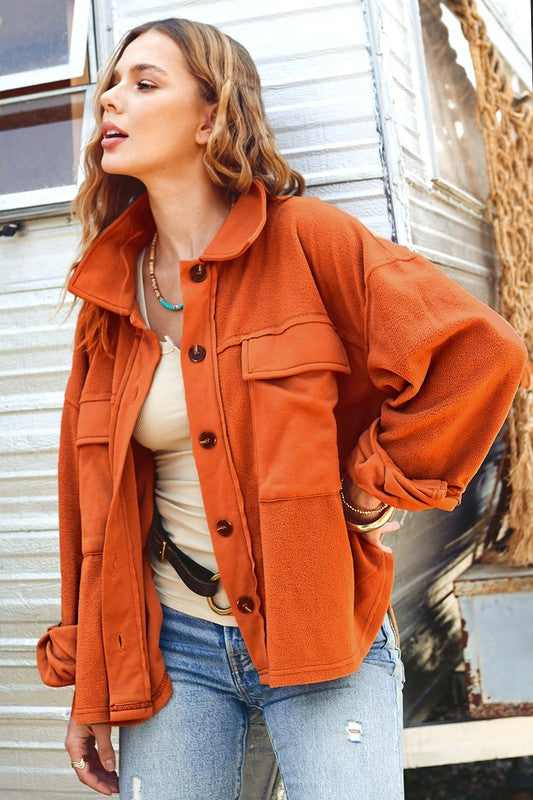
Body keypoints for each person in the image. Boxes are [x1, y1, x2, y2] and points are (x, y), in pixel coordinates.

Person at [35, 16, 526, 800]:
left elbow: (478, 354)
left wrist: (372, 487)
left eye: (144, 83)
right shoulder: (106, 295)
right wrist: (94, 683)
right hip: (172, 647)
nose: (110, 101)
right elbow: (87, 506)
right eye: (109, 85)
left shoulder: (308, 240)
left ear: (210, 115)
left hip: (323, 626)